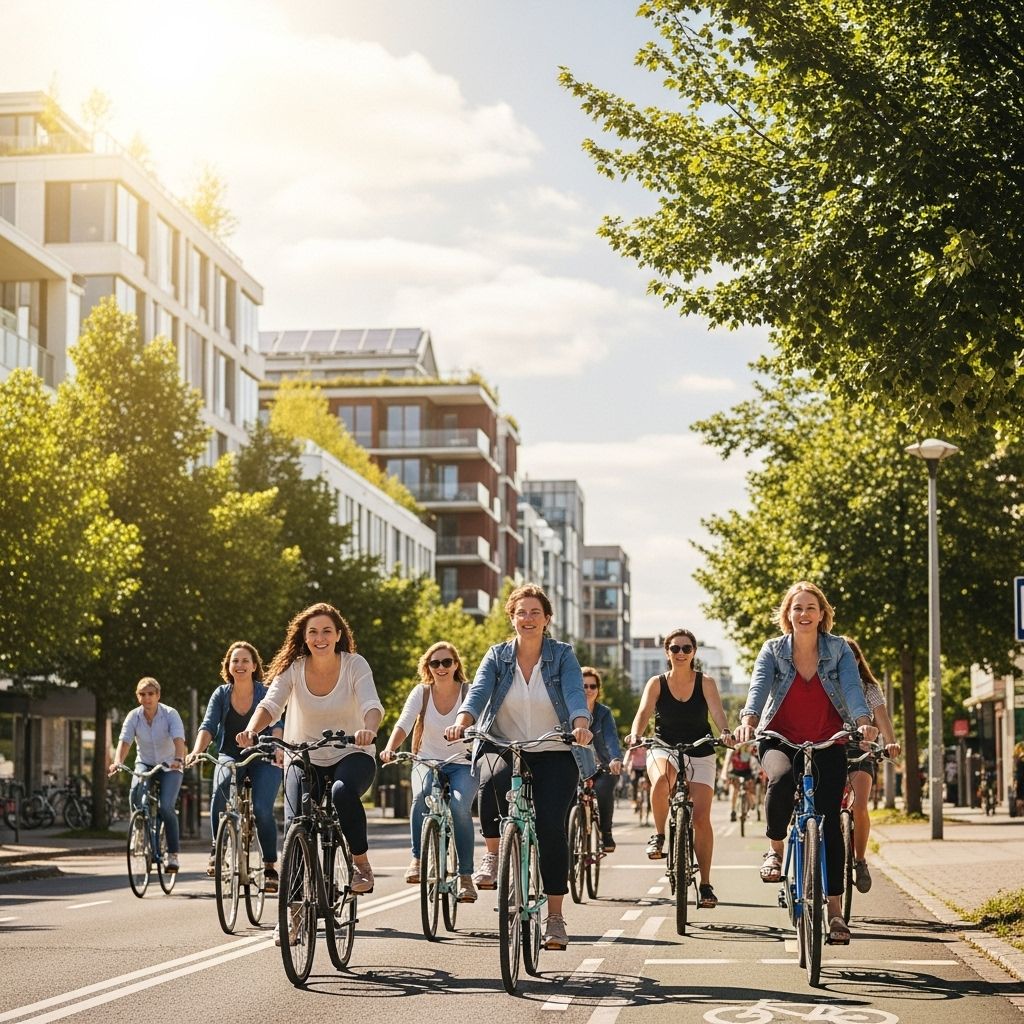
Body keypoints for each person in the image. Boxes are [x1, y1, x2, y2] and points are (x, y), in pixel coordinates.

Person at [444, 583, 595, 952]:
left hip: (555, 746)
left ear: (546, 619)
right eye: (521, 612)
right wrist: (464, 720)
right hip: (505, 743)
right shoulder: (497, 656)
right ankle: (494, 854)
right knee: (490, 784)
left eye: (535, 613)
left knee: (549, 827)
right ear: (511, 618)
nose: (528, 619)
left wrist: (580, 723)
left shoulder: (562, 655)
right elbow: (479, 691)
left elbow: (575, 691)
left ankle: (555, 917)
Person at [734, 581, 878, 946]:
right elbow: (760, 686)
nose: (803, 614)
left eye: (810, 607)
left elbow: (850, 686)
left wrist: (862, 721)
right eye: (797, 608)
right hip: (780, 738)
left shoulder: (840, 649)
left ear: (822, 614)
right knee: (780, 781)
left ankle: (834, 912)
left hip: (829, 739)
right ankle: (775, 849)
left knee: (828, 819)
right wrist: (750, 719)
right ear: (787, 614)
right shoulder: (772, 649)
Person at [237, 601, 383, 929]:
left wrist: (369, 730)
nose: (320, 637)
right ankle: (294, 915)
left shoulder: (354, 665)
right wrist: (252, 729)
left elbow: (372, 704)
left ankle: (361, 865)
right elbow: (271, 704)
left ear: (338, 635)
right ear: (304, 637)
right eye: (313, 632)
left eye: (326, 631)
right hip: (303, 756)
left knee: (343, 794)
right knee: (296, 825)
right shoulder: (294, 668)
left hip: (351, 753)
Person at [625, 628, 733, 909]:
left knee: (700, 818)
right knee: (661, 780)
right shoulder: (657, 683)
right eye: (675, 649)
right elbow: (642, 713)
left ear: (694, 652)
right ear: (667, 652)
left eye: (686, 648)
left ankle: (706, 884)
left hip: (700, 748)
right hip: (663, 746)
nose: (681, 653)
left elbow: (718, 713)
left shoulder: (705, 682)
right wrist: (636, 735)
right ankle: (659, 835)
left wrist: (726, 732)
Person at [380, 640, 479, 903]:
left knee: (459, 807)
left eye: (447, 662)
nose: (441, 667)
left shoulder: (469, 692)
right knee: (421, 795)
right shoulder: (422, 693)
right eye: (435, 663)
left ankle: (466, 877)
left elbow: (482, 723)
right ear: (428, 667)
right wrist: (390, 747)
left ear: (456, 665)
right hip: (426, 760)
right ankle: (416, 858)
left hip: (462, 762)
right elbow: (404, 722)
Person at [185, 641, 284, 893]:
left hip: (263, 757)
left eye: (245, 661)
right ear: (228, 666)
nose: (239, 665)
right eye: (235, 661)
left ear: (254, 666)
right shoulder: (221, 694)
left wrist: (280, 748)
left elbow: (276, 724)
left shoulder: (265, 692)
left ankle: (270, 865)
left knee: (262, 809)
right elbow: (208, 726)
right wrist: (197, 750)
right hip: (230, 755)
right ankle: (217, 849)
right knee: (219, 790)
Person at [109, 677, 186, 872]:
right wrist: (118, 761)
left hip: (170, 765)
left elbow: (178, 739)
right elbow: (125, 741)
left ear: (158, 695)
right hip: (144, 763)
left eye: (151, 694)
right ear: (138, 697)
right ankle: (139, 831)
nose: (147, 698)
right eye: (142, 694)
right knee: (135, 792)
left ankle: (173, 855)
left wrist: (178, 758)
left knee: (166, 807)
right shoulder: (133, 716)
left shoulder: (170, 714)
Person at [842, 637, 900, 894]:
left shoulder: (869, 687)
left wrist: (891, 742)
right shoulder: (827, 682)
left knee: (860, 804)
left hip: (860, 751)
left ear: (857, 660)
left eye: (851, 658)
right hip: (829, 747)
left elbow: (882, 717)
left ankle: (860, 860)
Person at [580, 666, 623, 851]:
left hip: (602, 767)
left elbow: (611, 738)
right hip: (577, 767)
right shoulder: (567, 710)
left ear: (598, 689)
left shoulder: (603, 713)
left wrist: (615, 758)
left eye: (592, 686)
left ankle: (606, 832)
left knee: (604, 790)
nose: (589, 690)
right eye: (584, 686)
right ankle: (568, 837)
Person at [721, 742, 758, 822]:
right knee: (735, 790)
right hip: (736, 772)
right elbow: (727, 765)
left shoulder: (748, 753)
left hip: (747, 772)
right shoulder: (732, 753)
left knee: (748, 789)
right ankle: (733, 811)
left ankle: (750, 805)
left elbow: (753, 764)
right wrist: (725, 776)